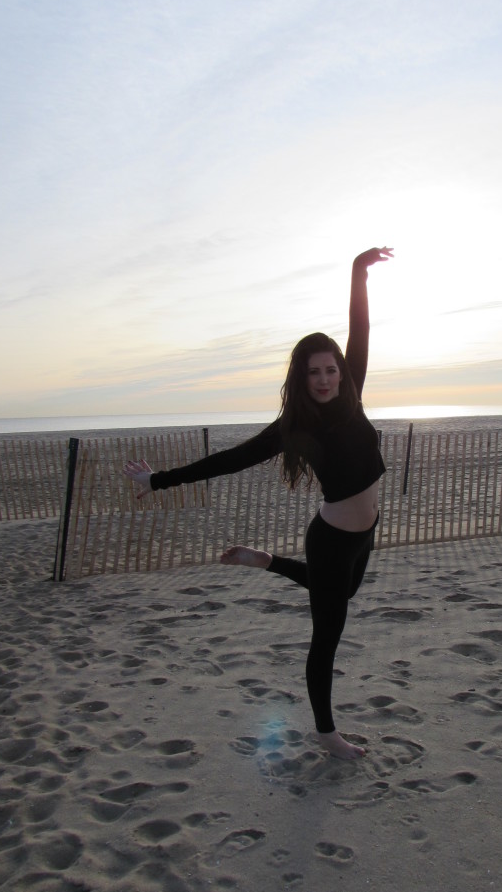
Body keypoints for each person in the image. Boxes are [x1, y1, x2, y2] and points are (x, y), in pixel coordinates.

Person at [124, 247, 393, 760]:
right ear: (301, 376)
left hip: (365, 535)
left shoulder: (352, 392)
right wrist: (158, 479)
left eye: (330, 369)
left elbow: (360, 331)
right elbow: (231, 459)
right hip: (334, 538)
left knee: (341, 593)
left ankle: (264, 560)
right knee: (328, 635)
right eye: (314, 372)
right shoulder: (295, 427)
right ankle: (326, 734)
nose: (325, 379)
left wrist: (358, 272)